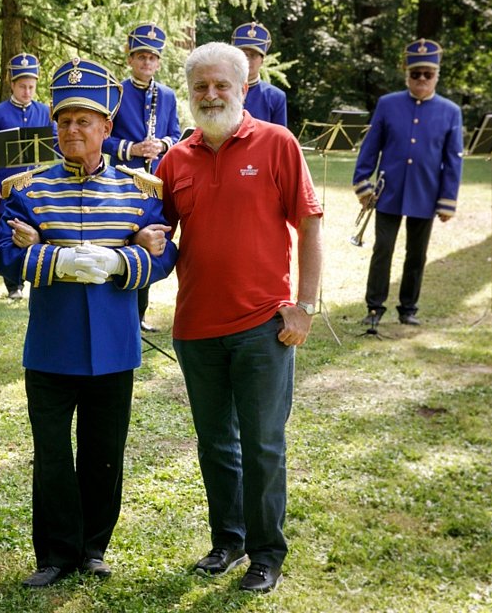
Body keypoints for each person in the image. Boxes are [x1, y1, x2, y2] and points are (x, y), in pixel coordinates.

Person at [0, 57, 178, 588]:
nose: (73, 130)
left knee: (104, 454)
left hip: (115, 346)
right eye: (65, 121)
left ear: (106, 127)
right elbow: (3, 252)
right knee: (52, 454)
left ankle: (94, 548)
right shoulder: (29, 188)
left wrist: (121, 261)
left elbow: (165, 255)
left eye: (84, 121)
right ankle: (55, 554)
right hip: (51, 345)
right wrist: (59, 260)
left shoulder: (139, 191)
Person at [151, 41, 322, 593]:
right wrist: (147, 238)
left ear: (243, 88)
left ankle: (267, 554)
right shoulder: (174, 160)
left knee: (263, 444)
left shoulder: (277, 143)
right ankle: (228, 541)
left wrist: (305, 306)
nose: (211, 94)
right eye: (200, 86)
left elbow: (310, 223)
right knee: (216, 444)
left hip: (263, 328)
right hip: (196, 328)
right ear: (189, 93)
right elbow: (159, 235)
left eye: (221, 84)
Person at [352, 38, 463, 328]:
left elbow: (453, 160)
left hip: (426, 193)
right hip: (388, 191)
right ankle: (374, 307)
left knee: (417, 254)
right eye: (416, 74)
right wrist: (362, 183)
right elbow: (370, 147)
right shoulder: (388, 104)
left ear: (437, 75)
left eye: (428, 74)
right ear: (407, 75)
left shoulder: (451, 111)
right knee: (383, 249)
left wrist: (447, 200)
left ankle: (408, 309)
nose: (422, 79)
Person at [106, 23, 181, 331]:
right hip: (124, 181)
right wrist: (132, 148)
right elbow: (103, 137)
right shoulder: (117, 92)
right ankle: (119, 312)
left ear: (158, 63)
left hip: (155, 182)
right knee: (122, 241)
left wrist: (161, 145)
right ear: (130, 59)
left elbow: (176, 134)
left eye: (152, 58)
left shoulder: (167, 95)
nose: (146, 63)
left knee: (150, 243)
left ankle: (139, 314)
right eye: (141, 57)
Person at [0, 52, 55, 299]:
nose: (27, 91)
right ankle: (13, 285)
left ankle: (35, 276)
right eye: (22, 86)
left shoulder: (44, 111)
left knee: (37, 231)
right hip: (5, 188)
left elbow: (55, 145)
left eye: (31, 86)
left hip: (36, 187)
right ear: (11, 84)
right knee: (9, 234)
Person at [231, 22, 287, 126]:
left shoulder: (275, 97)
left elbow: (279, 135)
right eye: (244, 54)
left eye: (253, 55)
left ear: (262, 60)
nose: (247, 60)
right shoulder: (220, 90)